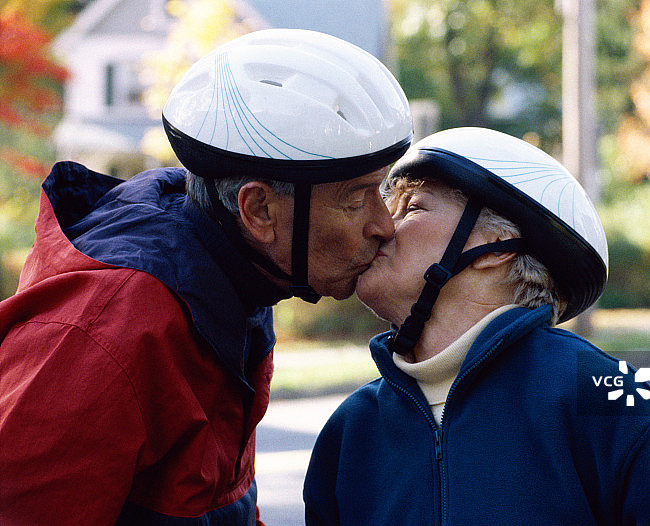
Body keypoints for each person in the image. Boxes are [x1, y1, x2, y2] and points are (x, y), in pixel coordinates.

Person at [0, 29, 412, 525]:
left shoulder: (234, 281)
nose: (383, 225)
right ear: (258, 209)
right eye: (355, 198)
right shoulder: (107, 334)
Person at [303, 127, 650, 525]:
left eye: (412, 207)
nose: (382, 225)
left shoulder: (604, 391)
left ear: (497, 244)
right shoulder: (352, 431)